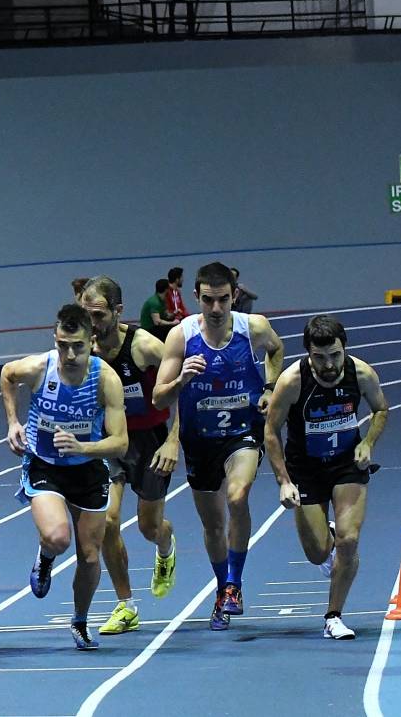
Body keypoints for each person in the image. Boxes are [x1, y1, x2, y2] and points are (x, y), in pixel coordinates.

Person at [152, 261, 284, 631]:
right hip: (199, 440)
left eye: (223, 299)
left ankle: (234, 585)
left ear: (234, 296)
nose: (216, 308)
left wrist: (270, 388)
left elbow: (276, 350)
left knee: (238, 497)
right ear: (196, 296)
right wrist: (181, 379)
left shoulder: (252, 327)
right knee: (213, 525)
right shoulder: (181, 337)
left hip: (242, 431)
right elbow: (159, 398)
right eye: (208, 300)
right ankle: (221, 585)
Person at [3, 303, 129, 650]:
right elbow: (8, 375)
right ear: (54, 339)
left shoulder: (105, 379)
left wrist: (82, 447)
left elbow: (120, 442)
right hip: (45, 465)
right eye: (63, 345)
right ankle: (45, 558)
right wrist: (13, 422)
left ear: (92, 342)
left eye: (78, 346)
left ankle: (80, 621)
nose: (70, 355)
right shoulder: (39, 369)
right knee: (58, 537)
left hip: (87, 469)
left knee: (89, 555)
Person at [263, 314, 389, 641]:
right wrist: (284, 481)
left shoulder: (362, 373)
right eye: (319, 358)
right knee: (318, 553)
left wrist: (367, 442)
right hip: (306, 469)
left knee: (349, 541)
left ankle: (333, 616)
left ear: (344, 348)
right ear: (308, 353)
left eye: (335, 355)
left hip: (347, 464)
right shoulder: (292, 381)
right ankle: (328, 536)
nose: (329, 365)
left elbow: (380, 409)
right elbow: (271, 431)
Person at [77, 277, 178, 636]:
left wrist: (173, 440)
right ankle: (126, 606)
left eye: (98, 315)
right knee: (107, 523)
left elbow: (185, 387)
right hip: (109, 442)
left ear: (118, 311)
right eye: (86, 315)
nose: (91, 323)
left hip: (150, 441)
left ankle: (165, 546)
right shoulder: (82, 349)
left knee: (149, 527)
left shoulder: (145, 346)